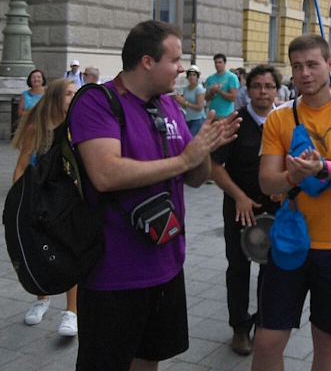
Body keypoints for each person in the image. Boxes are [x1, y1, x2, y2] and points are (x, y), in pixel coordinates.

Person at [68, 20, 241, 371]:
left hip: (167, 263)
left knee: (149, 360)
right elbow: (105, 174)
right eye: (175, 60)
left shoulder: (168, 105)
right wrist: (183, 158)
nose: (182, 68)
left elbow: (193, 178)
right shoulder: (98, 101)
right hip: (114, 272)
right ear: (147, 61)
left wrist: (204, 148)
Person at [252, 33, 331, 371]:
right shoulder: (279, 117)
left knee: (326, 339)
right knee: (267, 340)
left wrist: (322, 168)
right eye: (297, 67)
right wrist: (294, 176)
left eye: (312, 64)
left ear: (330, 65)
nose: (305, 73)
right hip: (289, 241)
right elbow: (267, 181)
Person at [211, 64, 282, 356]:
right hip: (241, 209)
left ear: (277, 90)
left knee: (273, 269)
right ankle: (240, 329)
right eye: (256, 86)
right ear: (247, 90)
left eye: (269, 86)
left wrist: (286, 185)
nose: (263, 92)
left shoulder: (287, 121)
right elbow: (213, 166)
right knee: (238, 269)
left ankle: (265, 324)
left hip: (276, 211)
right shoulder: (234, 123)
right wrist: (238, 196)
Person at [12, 78, 79, 336]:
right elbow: (20, 165)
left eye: (75, 93)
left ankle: (71, 311)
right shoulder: (37, 128)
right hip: (41, 198)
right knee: (40, 249)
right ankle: (41, 299)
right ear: (55, 97)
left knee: (70, 252)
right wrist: (18, 201)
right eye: (68, 94)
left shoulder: (77, 126)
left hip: (69, 199)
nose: (74, 97)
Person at [173, 65, 206, 136]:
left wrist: (186, 102)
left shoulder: (199, 89)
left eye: (194, 75)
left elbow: (200, 106)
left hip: (197, 119)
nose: (192, 77)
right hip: (188, 118)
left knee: (191, 139)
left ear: (197, 77)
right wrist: (179, 101)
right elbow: (184, 105)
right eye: (190, 75)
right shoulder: (185, 89)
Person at [205, 53, 239, 118]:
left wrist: (219, 91)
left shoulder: (231, 77)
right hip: (213, 114)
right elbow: (207, 98)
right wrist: (212, 91)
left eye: (220, 62)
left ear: (225, 63)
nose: (217, 65)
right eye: (216, 63)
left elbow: (233, 97)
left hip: (226, 114)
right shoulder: (210, 78)